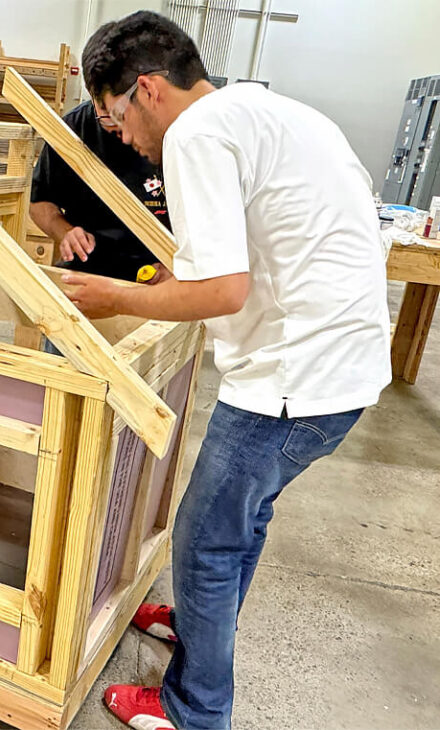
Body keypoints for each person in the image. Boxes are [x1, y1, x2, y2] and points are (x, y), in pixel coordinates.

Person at [64, 12, 391, 730]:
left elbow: (223, 291)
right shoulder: (268, 110)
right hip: (341, 372)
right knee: (244, 519)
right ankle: (196, 631)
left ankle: (195, 710)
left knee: (205, 542)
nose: (122, 137)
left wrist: (117, 296)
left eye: (116, 117)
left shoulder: (195, 134)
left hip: (292, 382)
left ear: (147, 89)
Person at [30, 83, 171, 282]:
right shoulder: (71, 130)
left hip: (154, 275)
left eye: (123, 111)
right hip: (89, 269)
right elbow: (39, 203)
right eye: (107, 115)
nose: (119, 126)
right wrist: (67, 233)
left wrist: (178, 267)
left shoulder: (170, 130)